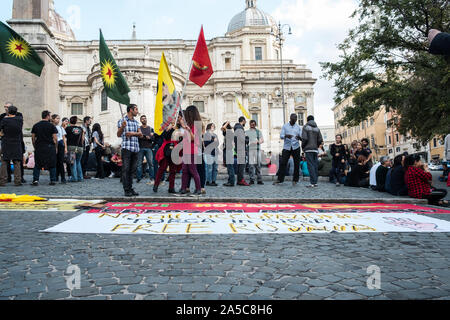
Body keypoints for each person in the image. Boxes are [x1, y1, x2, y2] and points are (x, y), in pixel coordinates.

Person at [117, 104, 143, 197]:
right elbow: (119, 134)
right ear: (130, 110)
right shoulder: (122, 121)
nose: (137, 111)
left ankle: (130, 188)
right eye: (136, 109)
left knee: (132, 170)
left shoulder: (136, 122)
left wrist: (131, 133)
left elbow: (141, 134)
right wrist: (122, 127)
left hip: (135, 148)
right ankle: (126, 189)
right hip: (127, 148)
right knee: (126, 169)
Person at [153, 116, 182, 194]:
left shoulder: (179, 128)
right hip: (166, 149)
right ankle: (156, 185)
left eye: (175, 119)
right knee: (162, 168)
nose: (174, 120)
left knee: (173, 170)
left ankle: (171, 187)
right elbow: (164, 136)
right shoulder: (167, 127)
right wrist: (169, 128)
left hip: (175, 150)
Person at [179, 106, 203, 196]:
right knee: (185, 170)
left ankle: (198, 188)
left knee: (193, 170)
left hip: (192, 150)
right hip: (186, 150)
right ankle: (183, 188)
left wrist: (188, 130)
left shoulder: (196, 125)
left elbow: (194, 139)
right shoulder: (189, 124)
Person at [0, 102, 26, 184]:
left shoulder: (4, 120)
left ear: (9, 111)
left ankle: (3, 180)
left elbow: (1, 130)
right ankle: (17, 180)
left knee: (4, 162)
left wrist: (2, 134)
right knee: (17, 162)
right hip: (17, 142)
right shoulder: (19, 119)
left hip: (6, 142)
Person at [274, 114, 302, 186]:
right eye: (293, 119)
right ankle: (280, 179)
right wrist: (286, 136)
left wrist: (299, 137)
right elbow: (281, 136)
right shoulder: (285, 126)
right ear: (290, 118)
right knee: (283, 163)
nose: (295, 120)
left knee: (296, 164)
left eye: (296, 119)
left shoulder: (298, 127)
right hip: (287, 147)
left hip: (296, 147)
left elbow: (301, 137)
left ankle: (295, 180)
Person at [31, 110, 58, 186]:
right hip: (49, 147)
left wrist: (35, 146)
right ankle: (52, 180)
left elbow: (33, 138)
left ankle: (35, 180)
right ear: (47, 116)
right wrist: (56, 147)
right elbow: (55, 138)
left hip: (39, 146)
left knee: (37, 164)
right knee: (52, 164)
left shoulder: (36, 125)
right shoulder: (51, 126)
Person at [302, 116, 324, 188]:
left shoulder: (305, 127)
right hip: (315, 149)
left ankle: (312, 183)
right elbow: (320, 139)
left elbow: (304, 138)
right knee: (315, 166)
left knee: (310, 166)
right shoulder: (317, 128)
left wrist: (303, 146)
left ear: (307, 120)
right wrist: (316, 145)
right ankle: (315, 182)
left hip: (308, 149)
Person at [66, 116, 84, 183]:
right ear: (76, 121)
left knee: (72, 162)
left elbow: (65, 138)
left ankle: (74, 178)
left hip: (71, 147)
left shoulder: (68, 128)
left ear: (69, 121)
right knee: (78, 162)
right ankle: (80, 177)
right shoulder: (80, 129)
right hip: (80, 147)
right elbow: (82, 139)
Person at [136, 115, 155, 184]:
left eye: (145, 118)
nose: (144, 120)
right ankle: (138, 178)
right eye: (142, 119)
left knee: (151, 164)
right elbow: (138, 137)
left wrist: (150, 138)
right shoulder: (139, 129)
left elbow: (154, 138)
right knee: (139, 164)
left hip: (149, 148)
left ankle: (152, 178)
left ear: (146, 120)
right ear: (140, 120)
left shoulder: (150, 129)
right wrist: (145, 137)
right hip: (140, 148)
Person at [246, 120, 264, 185]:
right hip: (250, 150)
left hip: (257, 149)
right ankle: (252, 179)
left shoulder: (258, 132)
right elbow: (244, 141)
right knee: (250, 165)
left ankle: (259, 179)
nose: (252, 125)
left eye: (253, 124)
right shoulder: (246, 132)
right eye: (251, 124)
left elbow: (262, 140)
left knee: (258, 165)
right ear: (249, 124)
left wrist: (257, 142)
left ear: (255, 125)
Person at [233, 117, 250, 186]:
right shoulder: (239, 128)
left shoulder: (237, 128)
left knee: (241, 165)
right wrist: (247, 138)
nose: (245, 123)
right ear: (243, 121)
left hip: (239, 148)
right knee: (242, 165)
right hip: (241, 148)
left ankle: (240, 180)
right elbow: (242, 139)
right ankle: (241, 180)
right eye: (245, 121)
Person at [52, 114, 68, 184]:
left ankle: (63, 177)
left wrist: (65, 147)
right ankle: (55, 176)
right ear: (53, 119)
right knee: (55, 162)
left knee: (60, 162)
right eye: (57, 118)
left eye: (59, 118)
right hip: (53, 144)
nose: (58, 120)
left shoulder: (60, 128)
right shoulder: (51, 127)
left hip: (60, 144)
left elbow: (64, 138)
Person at [222, 121, 235, 187]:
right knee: (229, 166)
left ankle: (231, 181)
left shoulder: (228, 132)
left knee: (230, 167)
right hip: (228, 150)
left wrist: (227, 122)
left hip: (228, 150)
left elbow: (222, 128)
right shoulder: (230, 132)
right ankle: (230, 180)